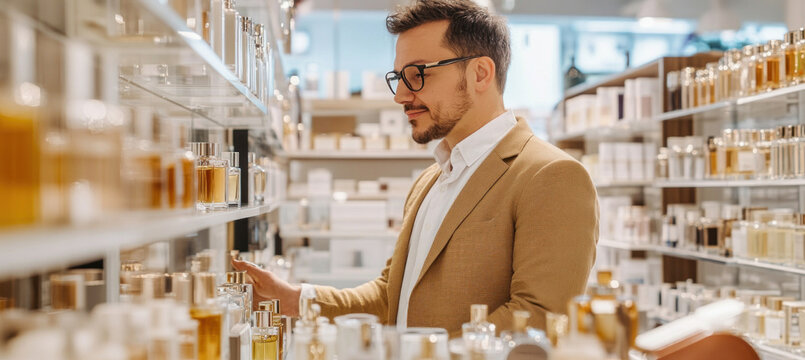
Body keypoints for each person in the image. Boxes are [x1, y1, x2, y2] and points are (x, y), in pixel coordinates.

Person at [233, 0, 598, 336]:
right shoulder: (431, 180)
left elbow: (539, 317)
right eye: (399, 77)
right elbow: (391, 295)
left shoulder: (550, 176)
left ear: (481, 74)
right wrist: (297, 299)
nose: (401, 96)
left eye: (418, 74)